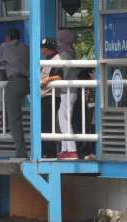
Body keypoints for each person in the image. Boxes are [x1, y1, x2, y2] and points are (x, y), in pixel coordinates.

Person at [0, 28, 30, 159]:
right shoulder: (26, 47)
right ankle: (39, 149)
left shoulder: (4, 46)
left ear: (8, 37)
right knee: (36, 117)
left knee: (15, 120)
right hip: (27, 83)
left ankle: (21, 152)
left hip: (14, 83)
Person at [56, 30, 79, 160]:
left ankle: (71, 150)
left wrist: (51, 79)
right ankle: (65, 149)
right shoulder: (68, 52)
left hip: (68, 91)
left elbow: (62, 73)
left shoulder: (64, 54)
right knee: (62, 119)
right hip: (68, 91)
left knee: (64, 119)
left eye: (59, 39)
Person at [40, 37, 62, 159]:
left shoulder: (57, 59)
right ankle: (46, 151)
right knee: (43, 125)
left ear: (49, 49)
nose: (42, 50)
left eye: (44, 48)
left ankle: (50, 152)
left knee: (47, 125)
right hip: (44, 96)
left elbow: (60, 76)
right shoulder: (47, 59)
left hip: (51, 96)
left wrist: (48, 79)